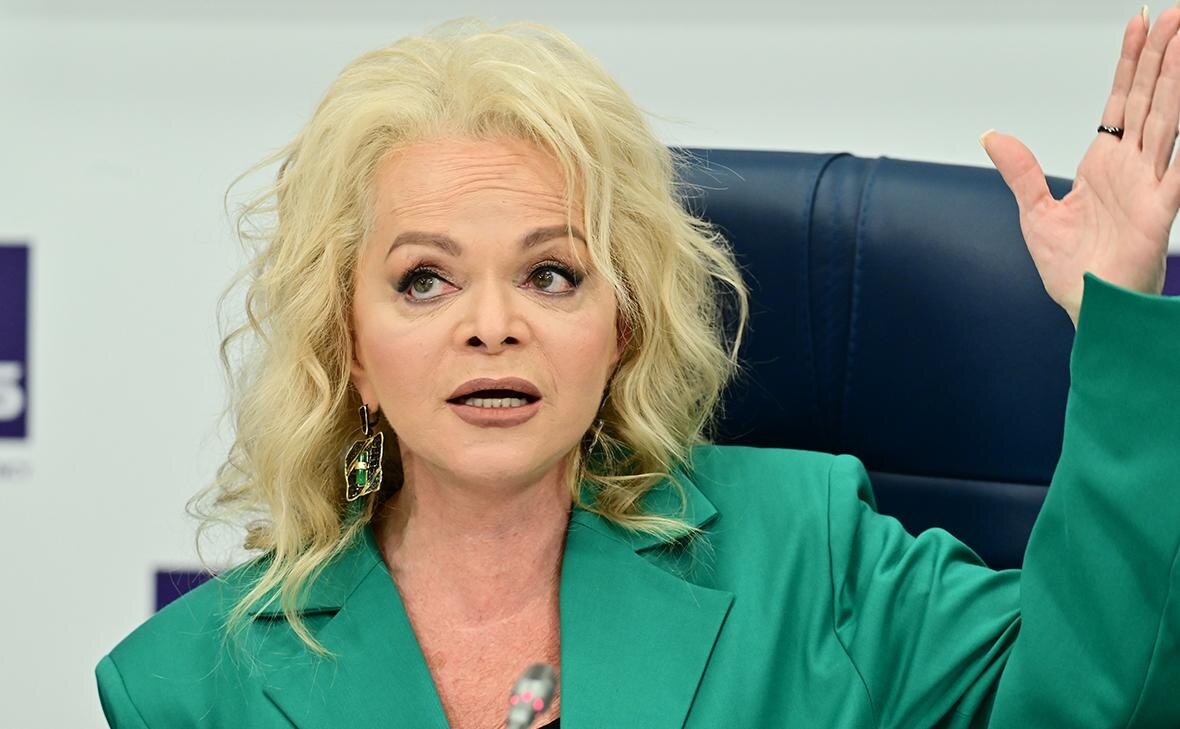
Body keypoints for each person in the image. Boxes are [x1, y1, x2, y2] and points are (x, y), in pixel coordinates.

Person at [96, 10, 1180, 729]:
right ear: (352, 349)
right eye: (425, 280)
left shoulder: (813, 551)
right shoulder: (183, 687)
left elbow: (1097, 702)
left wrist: (1119, 317)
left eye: (551, 274)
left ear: (620, 327)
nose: (492, 326)